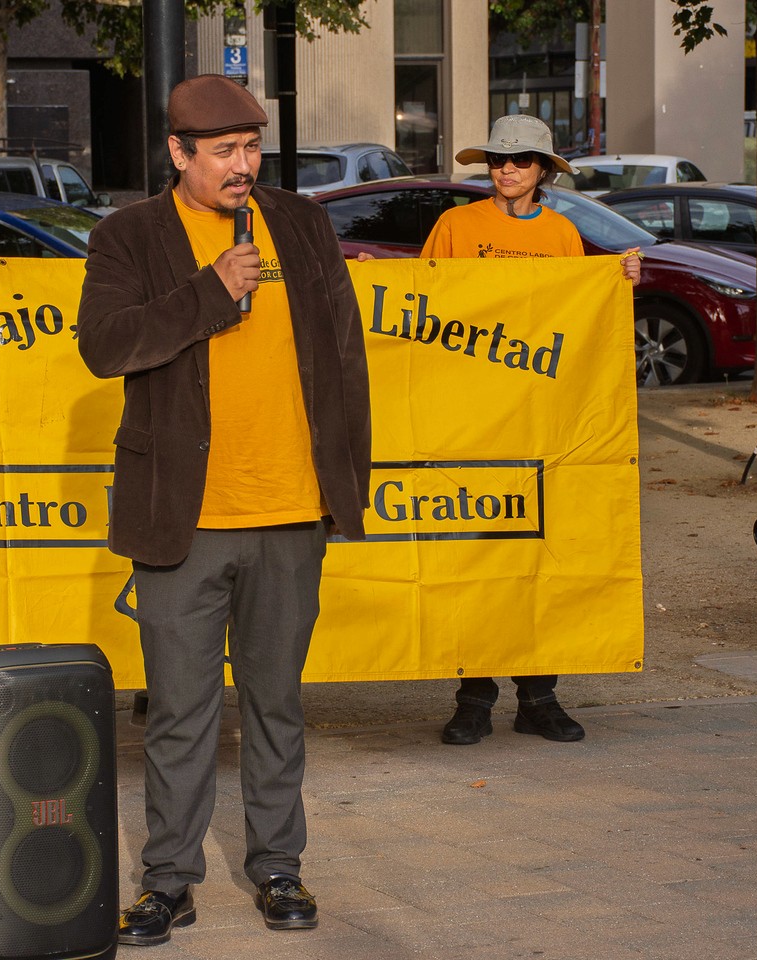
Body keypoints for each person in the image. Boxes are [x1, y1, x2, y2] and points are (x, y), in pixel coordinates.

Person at [76, 75, 371, 946]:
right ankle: (168, 880)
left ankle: (279, 868)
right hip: (186, 519)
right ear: (178, 153)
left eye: (251, 149)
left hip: (290, 513)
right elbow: (104, 346)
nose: (242, 168)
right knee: (179, 710)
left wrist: (341, 485)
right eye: (223, 154)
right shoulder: (128, 235)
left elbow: (344, 355)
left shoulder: (303, 222)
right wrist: (211, 290)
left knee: (277, 702)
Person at [421, 114, 641, 747]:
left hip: (541, 423)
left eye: (519, 160)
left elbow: (577, 321)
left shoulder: (564, 234)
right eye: (497, 159)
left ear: (544, 170)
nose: (506, 169)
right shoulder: (456, 227)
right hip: (470, 420)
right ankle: (473, 698)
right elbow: (423, 308)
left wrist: (617, 284)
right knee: (476, 560)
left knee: (539, 556)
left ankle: (539, 697)